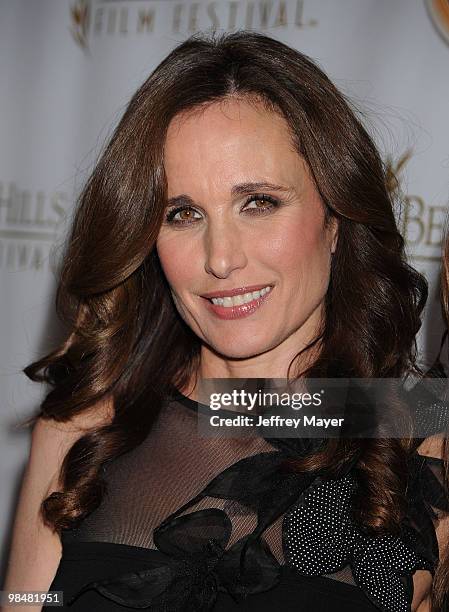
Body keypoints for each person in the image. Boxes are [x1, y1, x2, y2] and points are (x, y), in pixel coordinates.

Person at [2, 30, 448, 611]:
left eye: (258, 202)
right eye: (183, 214)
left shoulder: (417, 437)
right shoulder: (85, 428)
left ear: (335, 217)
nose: (220, 258)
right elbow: (23, 602)